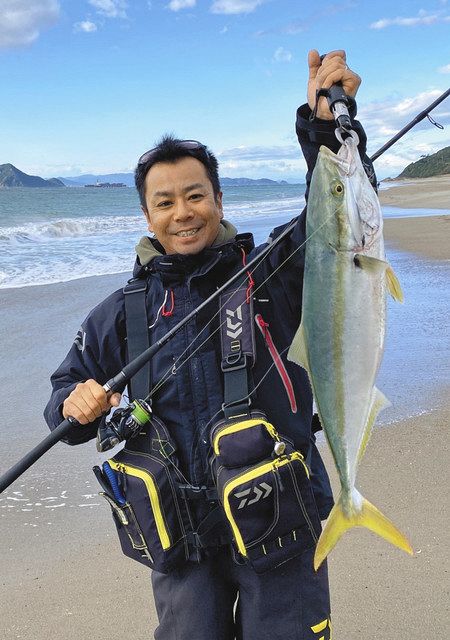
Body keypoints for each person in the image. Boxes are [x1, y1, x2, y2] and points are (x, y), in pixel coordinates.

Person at [44, 49, 371, 640]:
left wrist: (326, 128)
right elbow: (65, 396)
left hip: (280, 527)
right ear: (147, 215)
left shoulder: (272, 273)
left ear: (219, 200)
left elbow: (336, 216)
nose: (182, 213)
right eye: (164, 202)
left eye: (195, 195)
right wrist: (76, 405)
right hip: (184, 547)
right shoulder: (120, 314)